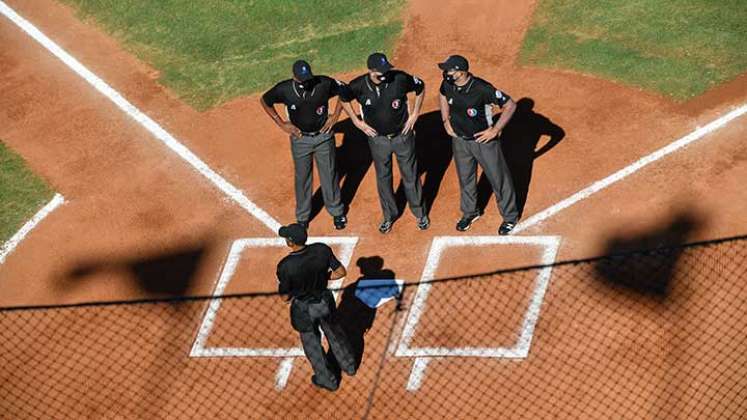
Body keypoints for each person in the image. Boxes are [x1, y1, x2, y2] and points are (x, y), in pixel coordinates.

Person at [340, 53, 429, 234]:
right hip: (378, 140)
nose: (385, 74)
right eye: (381, 71)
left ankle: (420, 213)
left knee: (410, 174)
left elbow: (420, 87)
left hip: (402, 136)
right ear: (371, 71)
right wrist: (357, 122)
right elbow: (343, 98)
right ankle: (389, 215)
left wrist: (415, 115)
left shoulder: (399, 78)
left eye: (386, 70)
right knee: (383, 177)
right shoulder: (358, 86)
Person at [261, 60, 348, 230]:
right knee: (302, 177)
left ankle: (337, 212)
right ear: (295, 77)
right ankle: (303, 216)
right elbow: (265, 100)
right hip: (300, 139)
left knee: (329, 174)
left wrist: (336, 115)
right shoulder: (284, 89)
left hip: (323, 137)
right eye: (303, 79)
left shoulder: (323, 83)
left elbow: (344, 90)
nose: (306, 82)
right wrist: (280, 123)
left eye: (308, 78)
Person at [438, 55, 519, 235]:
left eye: (450, 69)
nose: (446, 72)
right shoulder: (448, 84)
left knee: (499, 179)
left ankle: (510, 217)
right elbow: (442, 95)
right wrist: (445, 121)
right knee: (466, 178)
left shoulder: (482, 89)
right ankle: (470, 212)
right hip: (460, 140)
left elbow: (510, 105)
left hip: (484, 142)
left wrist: (495, 129)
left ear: (461, 71)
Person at [276, 223, 356, 391]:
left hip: (303, 310)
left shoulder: (286, 265)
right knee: (335, 333)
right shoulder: (321, 250)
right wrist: (323, 277)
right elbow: (341, 272)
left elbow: (285, 297)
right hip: (324, 302)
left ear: (290, 242)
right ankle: (349, 366)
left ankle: (328, 380)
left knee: (312, 344)